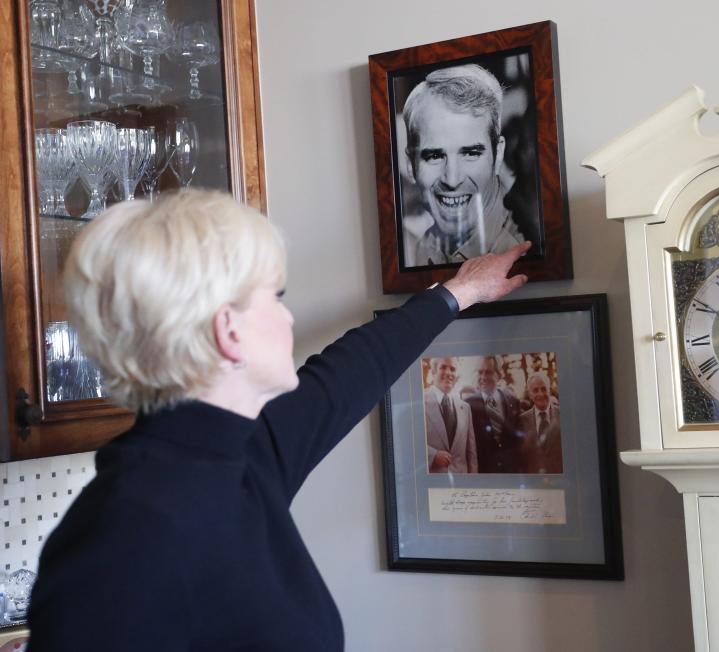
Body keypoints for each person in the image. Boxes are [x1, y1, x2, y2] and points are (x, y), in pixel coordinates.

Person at [26, 189, 529, 651]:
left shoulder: (238, 453)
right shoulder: (127, 532)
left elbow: (347, 376)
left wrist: (458, 293)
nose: (289, 318)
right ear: (229, 330)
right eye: (276, 298)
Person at [401, 64, 525, 266]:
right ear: (410, 165)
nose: (452, 179)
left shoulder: (517, 251)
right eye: (434, 156)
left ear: (498, 154)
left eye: (470, 153)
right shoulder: (424, 247)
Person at [464, 355, 523, 473]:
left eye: (488, 372)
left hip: (511, 472)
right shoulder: (467, 405)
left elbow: (519, 439)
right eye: (480, 372)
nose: (483, 377)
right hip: (484, 473)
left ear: (499, 374)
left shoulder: (513, 401)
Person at [424, 356, 477, 473]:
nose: (448, 373)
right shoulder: (419, 403)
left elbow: (471, 452)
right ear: (433, 372)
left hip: (461, 483)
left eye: (452, 369)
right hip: (432, 483)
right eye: (443, 367)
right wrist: (433, 455)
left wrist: (473, 482)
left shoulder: (465, 408)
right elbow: (409, 443)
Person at [519, 372, 563, 474]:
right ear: (530, 394)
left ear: (549, 390)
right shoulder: (522, 420)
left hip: (559, 480)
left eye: (544, 389)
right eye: (535, 390)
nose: (540, 394)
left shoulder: (563, 415)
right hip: (535, 482)